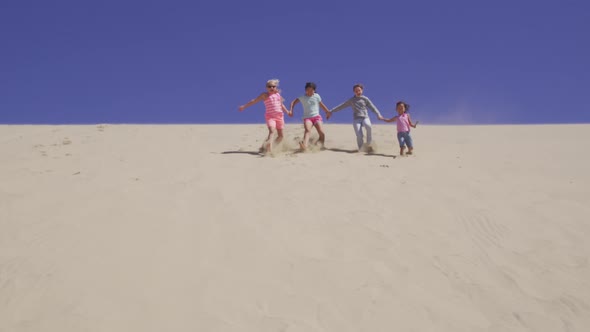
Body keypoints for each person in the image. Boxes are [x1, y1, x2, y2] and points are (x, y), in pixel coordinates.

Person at [327, 83, 384, 152]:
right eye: (356, 91)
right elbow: (342, 106)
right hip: (356, 119)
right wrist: (331, 111)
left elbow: (372, 107)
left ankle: (369, 144)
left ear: (362, 90)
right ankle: (361, 149)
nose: (358, 92)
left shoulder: (365, 99)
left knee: (368, 126)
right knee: (359, 135)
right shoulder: (352, 100)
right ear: (354, 92)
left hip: (365, 117)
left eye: (359, 90)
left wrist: (378, 114)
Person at [239, 79, 290, 154]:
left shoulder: (278, 95)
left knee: (281, 136)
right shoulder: (265, 95)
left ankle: (266, 147)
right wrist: (244, 106)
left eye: (273, 86)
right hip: (270, 117)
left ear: (276, 87)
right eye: (269, 86)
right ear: (266, 88)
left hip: (280, 117)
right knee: (272, 131)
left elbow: (281, 105)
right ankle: (269, 148)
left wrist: (287, 112)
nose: (272, 88)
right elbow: (254, 101)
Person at [289, 82, 331, 151]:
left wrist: (327, 112)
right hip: (307, 118)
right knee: (307, 130)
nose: (310, 92)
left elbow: (321, 104)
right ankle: (305, 146)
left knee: (322, 133)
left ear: (314, 90)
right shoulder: (302, 97)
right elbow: (293, 102)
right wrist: (291, 110)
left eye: (312, 90)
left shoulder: (317, 96)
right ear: (305, 90)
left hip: (317, 117)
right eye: (308, 90)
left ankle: (320, 145)